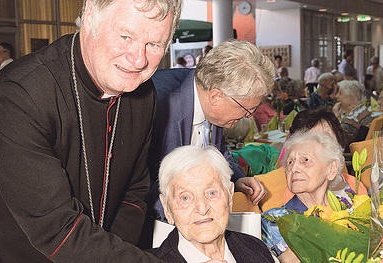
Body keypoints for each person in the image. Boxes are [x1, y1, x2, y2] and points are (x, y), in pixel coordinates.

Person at [0, 0, 182, 262]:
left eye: (154, 44)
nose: (138, 59)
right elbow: (54, 227)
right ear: (90, 16)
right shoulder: (18, 94)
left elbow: (132, 193)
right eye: (125, 36)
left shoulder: (143, 95)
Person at [147, 40, 274, 223]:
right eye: (247, 109)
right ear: (215, 96)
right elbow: (134, 180)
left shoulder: (216, 101)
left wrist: (236, 179)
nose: (248, 116)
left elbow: (218, 151)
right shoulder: (159, 102)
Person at [156, 145, 275, 262]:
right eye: (185, 198)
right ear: (166, 208)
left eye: (212, 193)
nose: (202, 208)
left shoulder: (256, 249)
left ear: (229, 197)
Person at [262, 132, 348, 262]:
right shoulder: (272, 222)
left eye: (306, 160)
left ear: (331, 168)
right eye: (290, 162)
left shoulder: (349, 213)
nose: (294, 168)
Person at [333, 80, 374, 145]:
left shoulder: (352, 118)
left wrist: (334, 117)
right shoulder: (363, 109)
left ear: (350, 98)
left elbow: (335, 138)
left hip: (350, 153)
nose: (337, 96)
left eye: (340, 93)